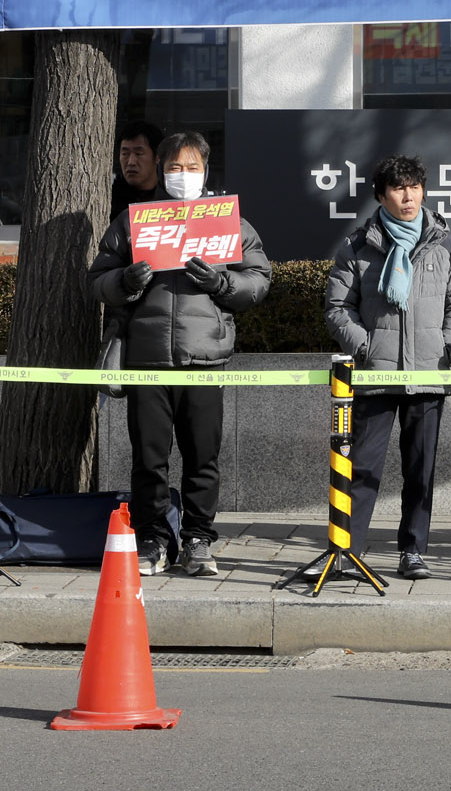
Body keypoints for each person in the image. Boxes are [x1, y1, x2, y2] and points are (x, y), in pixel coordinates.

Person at [90, 131, 271, 577]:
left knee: (201, 456)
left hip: (204, 358)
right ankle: (152, 539)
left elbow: (259, 280)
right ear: (161, 170)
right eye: (174, 167)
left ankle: (198, 540)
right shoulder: (134, 222)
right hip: (147, 359)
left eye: (191, 168)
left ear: (206, 171)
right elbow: (97, 279)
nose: (182, 176)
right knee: (149, 458)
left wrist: (220, 283)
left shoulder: (227, 222)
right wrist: (126, 282)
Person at [326, 154, 451, 581]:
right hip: (376, 376)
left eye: (414, 187)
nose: (407, 196)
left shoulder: (447, 244)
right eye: (398, 188)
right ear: (381, 195)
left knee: (420, 470)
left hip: (429, 373)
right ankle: (347, 552)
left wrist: (450, 344)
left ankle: (414, 551)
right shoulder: (358, 246)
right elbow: (338, 308)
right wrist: (366, 348)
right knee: (362, 468)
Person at [111, 119, 164, 220]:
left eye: (139, 154)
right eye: (125, 154)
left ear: (157, 157)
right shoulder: (110, 200)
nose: (131, 162)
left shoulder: (170, 196)